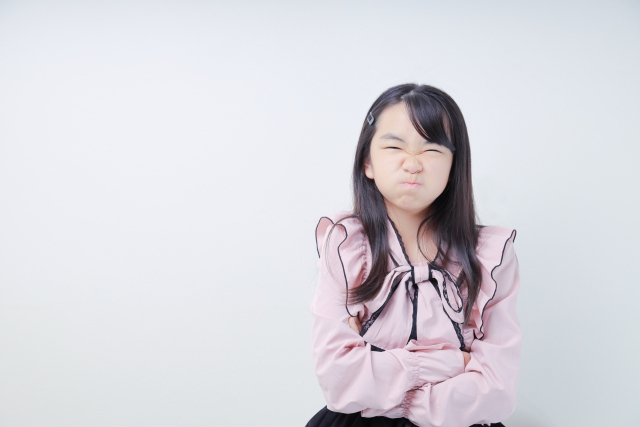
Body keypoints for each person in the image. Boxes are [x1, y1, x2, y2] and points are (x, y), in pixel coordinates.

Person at [306, 84, 521, 427]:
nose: (412, 164)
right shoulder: (345, 243)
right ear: (367, 162)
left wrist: (381, 372)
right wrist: (454, 362)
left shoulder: (491, 255)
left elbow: (496, 392)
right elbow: (340, 379)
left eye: (432, 150)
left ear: (454, 165)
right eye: (394, 147)